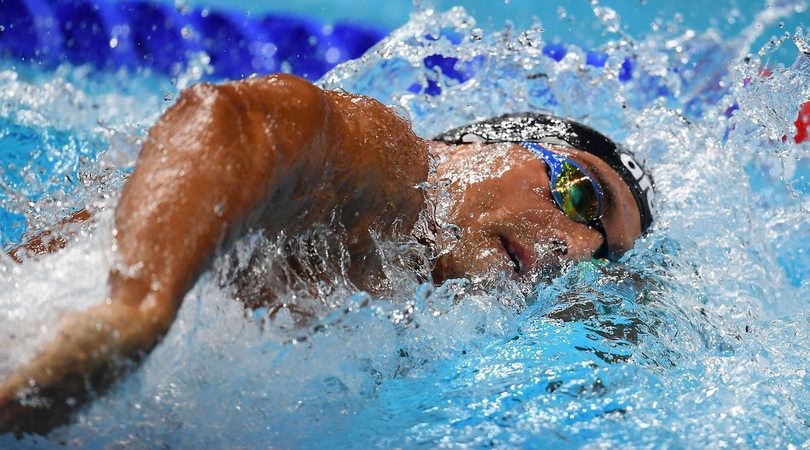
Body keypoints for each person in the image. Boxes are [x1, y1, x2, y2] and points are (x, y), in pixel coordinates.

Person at [0, 73, 654, 435]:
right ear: (483, 145)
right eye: (578, 193)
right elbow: (234, 120)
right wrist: (137, 308)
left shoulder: (415, 321)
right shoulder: (404, 175)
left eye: (599, 258)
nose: (571, 247)